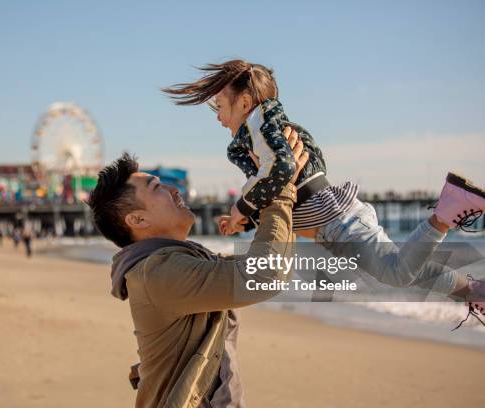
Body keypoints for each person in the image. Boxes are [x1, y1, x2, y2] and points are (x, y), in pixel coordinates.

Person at [163, 59, 485, 309]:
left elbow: (282, 170)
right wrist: (245, 220)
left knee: (397, 273)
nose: (218, 117)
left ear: (245, 103)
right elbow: (281, 189)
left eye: (220, 106)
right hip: (335, 225)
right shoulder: (264, 133)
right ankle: (471, 290)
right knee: (400, 267)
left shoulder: (262, 127)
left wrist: (240, 207)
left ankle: (446, 213)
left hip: (339, 222)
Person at [86, 127, 307, 408]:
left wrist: (257, 209)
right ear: (137, 220)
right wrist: (280, 189)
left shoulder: (173, 262)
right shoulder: (160, 272)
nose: (173, 189)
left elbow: (256, 267)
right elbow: (266, 274)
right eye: (157, 188)